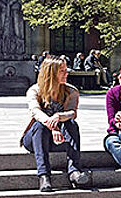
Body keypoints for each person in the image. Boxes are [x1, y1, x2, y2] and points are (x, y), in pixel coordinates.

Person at [22, 56, 91, 192]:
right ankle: (44, 176)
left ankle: (74, 171)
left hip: (60, 140)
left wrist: (59, 116)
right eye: (62, 71)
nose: (67, 73)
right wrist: (52, 126)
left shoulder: (71, 91)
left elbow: (72, 112)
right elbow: (36, 112)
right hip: (36, 139)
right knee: (39, 125)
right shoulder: (35, 91)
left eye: (66, 70)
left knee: (71, 123)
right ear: (51, 73)